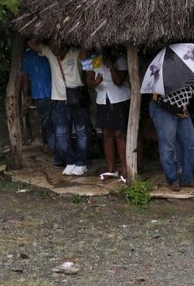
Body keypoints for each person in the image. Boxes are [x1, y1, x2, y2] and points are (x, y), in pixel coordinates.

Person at [27, 40, 90, 176]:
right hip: (59, 100)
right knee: (61, 134)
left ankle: (81, 162)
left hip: (77, 97)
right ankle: (71, 161)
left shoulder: (75, 53)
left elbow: (86, 51)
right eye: (52, 45)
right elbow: (31, 43)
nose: (54, 48)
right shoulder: (50, 53)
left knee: (81, 131)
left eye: (57, 45)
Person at [85, 48, 130, 182]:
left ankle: (125, 169)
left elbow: (119, 81)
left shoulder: (121, 60)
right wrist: (96, 82)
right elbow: (88, 81)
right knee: (107, 135)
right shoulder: (95, 60)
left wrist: (111, 66)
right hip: (102, 100)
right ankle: (111, 169)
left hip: (119, 99)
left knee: (119, 135)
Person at [149, 84, 194, 191]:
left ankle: (187, 179)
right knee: (167, 145)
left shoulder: (181, 69)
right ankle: (172, 179)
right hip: (164, 107)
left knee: (191, 141)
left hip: (180, 107)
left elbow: (186, 85)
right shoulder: (162, 71)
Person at [21, 47, 59, 166]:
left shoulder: (27, 56)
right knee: (60, 124)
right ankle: (65, 153)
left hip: (40, 95)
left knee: (49, 126)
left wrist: (27, 94)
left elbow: (25, 78)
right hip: (57, 92)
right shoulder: (49, 50)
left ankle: (58, 156)